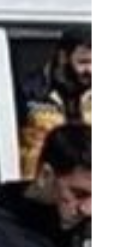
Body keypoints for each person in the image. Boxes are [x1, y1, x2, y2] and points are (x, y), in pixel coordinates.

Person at [18, 28, 91, 179]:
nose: (91, 70)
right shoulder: (30, 91)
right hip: (40, 186)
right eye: (84, 62)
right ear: (63, 57)